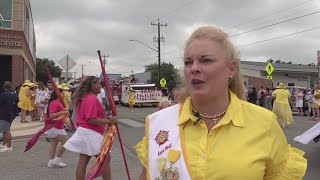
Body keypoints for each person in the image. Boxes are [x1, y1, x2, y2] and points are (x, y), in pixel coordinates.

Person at [135, 26, 307, 179]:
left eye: (206, 60)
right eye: (188, 62)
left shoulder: (264, 123)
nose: (194, 67)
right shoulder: (160, 123)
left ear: (231, 68)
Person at [63, 76, 117, 180]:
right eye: (98, 84)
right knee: (105, 160)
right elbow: (91, 119)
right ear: (91, 85)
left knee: (83, 162)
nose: (100, 86)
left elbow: (94, 116)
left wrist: (107, 118)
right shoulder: (91, 98)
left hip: (87, 133)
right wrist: (109, 121)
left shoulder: (88, 97)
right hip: (90, 134)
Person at [45, 85, 69, 168]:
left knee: (54, 143)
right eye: (62, 93)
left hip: (57, 126)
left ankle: (51, 161)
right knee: (66, 142)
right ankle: (57, 159)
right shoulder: (55, 103)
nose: (64, 94)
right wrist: (62, 112)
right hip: (55, 127)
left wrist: (69, 125)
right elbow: (51, 115)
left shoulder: (58, 102)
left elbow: (63, 116)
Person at [0, 81, 19, 152]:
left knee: (6, 131)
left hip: (4, 114)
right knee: (5, 129)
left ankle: (9, 146)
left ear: (4, 87)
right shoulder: (14, 94)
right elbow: (17, 101)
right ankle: (4, 144)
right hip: (12, 113)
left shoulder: (3, 95)